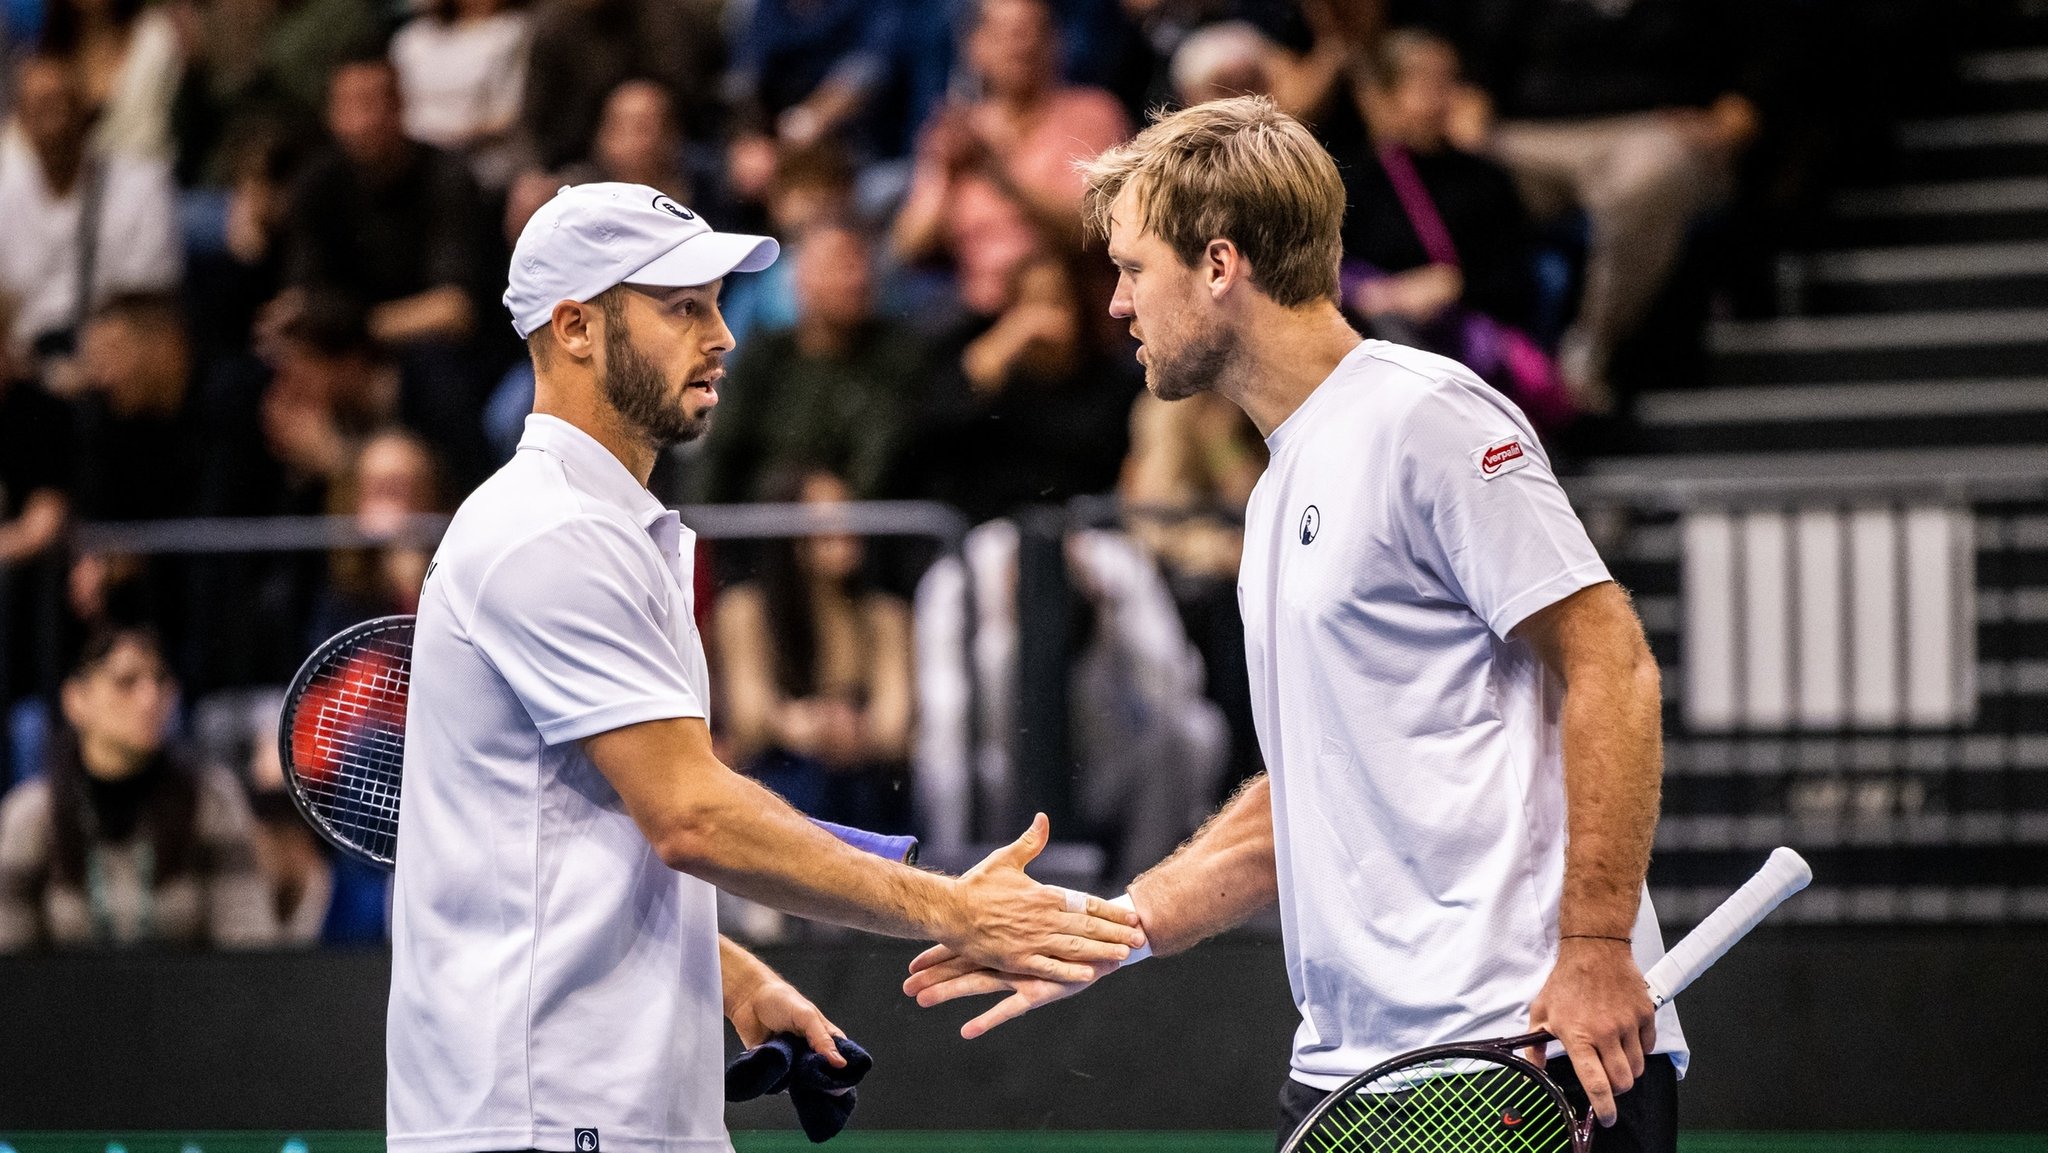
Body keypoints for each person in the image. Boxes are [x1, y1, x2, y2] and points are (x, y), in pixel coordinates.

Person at [903, 96, 1684, 1151]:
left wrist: (1594, 946)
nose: (1116, 305)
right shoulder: (1277, 486)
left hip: (1517, 1049)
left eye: (1133, 269)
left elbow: (1611, 665)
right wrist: (1107, 927)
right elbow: (1314, 786)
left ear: (1218, 265)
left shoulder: (1424, 417)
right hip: (1352, 1073)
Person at [387, 181, 1144, 1153]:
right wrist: (946, 905)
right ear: (575, 328)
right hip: (539, 1116)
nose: (723, 335)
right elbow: (688, 814)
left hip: (604, 1112)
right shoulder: (546, 535)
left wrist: (725, 971)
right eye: (680, 307)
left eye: (714, 303)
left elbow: (585, 832)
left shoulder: (609, 530)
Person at [0, 624, 275, 950]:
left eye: (160, 681)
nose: (149, 698)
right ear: (76, 700)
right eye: (126, 682)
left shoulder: (213, 799)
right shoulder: (32, 813)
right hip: (61, 1000)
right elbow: (10, 962)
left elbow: (251, 949)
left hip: (189, 998)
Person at [713, 470, 914, 834]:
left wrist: (851, 731)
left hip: (863, 781)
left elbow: (893, 730)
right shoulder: (746, 611)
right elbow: (750, 722)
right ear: (790, 532)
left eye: (848, 515)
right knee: (797, 785)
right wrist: (809, 725)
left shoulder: (884, 616)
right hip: (783, 777)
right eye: (826, 520)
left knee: (864, 793)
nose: (844, 532)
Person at [0, 54, 181, 371]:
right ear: (22, 121)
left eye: (62, 103)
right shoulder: (7, 195)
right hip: (27, 365)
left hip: (111, 355)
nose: (54, 119)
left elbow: (152, 298)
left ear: (85, 111)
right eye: (40, 106)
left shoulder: (140, 185)